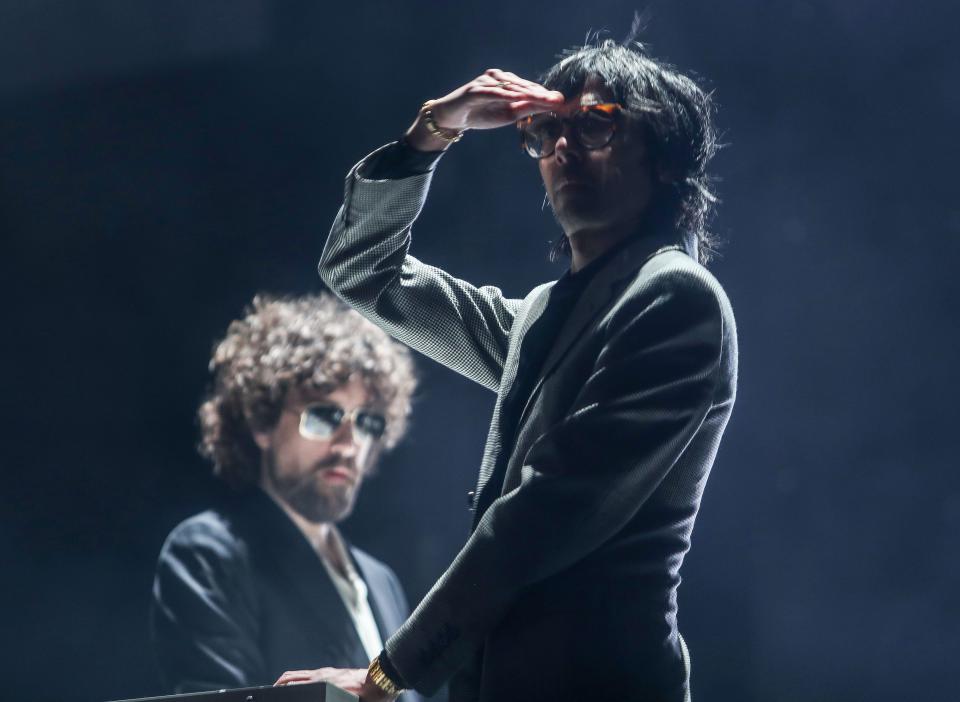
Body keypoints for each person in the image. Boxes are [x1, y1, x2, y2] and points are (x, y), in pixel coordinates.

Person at [278, 36, 738, 702]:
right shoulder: (543, 319)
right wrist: (433, 128)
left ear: (663, 160)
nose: (560, 148)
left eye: (595, 124)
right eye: (546, 130)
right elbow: (361, 270)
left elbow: (537, 522)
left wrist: (387, 677)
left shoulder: (674, 298)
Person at [151, 294, 423, 702]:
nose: (350, 445)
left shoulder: (382, 581)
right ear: (262, 421)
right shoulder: (208, 552)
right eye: (324, 415)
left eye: (366, 423)